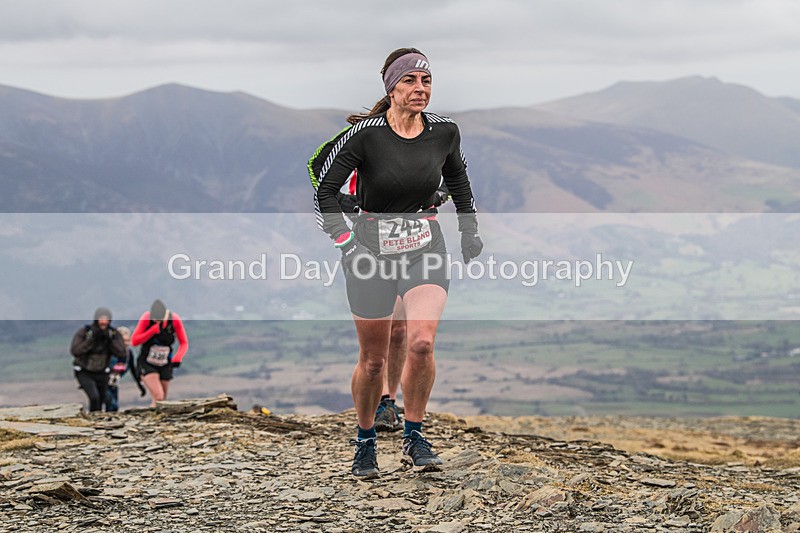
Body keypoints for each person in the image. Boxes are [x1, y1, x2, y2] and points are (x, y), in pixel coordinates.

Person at [309, 48, 483, 478]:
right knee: (372, 361)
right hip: (369, 252)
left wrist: (468, 231)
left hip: (426, 246)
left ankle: (415, 433)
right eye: (410, 81)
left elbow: (458, 178)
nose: (420, 89)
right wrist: (345, 240)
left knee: (421, 342)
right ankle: (365, 441)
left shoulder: (445, 131)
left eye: (426, 81)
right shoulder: (365, 135)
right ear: (391, 88)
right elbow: (323, 191)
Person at [336, 171, 450, 433]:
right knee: (377, 340)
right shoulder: (352, 140)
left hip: (414, 247)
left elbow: (455, 168)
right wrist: (346, 204)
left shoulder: (422, 134)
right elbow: (317, 171)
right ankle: (377, 406)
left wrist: (440, 194)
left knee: (399, 331)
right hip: (370, 244)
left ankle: (388, 401)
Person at [131, 299, 189, 407]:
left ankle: (156, 420)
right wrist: (152, 331)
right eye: (155, 319)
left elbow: (184, 343)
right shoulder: (146, 318)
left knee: (162, 400)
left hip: (165, 363)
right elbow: (134, 341)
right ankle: (152, 419)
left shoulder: (174, 320)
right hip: (147, 362)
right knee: (158, 396)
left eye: (160, 320)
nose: (157, 322)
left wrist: (178, 357)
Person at [70, 307, 126, 412]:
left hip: (102, 372)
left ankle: (96, 421)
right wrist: (91, 340)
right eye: (101, 319)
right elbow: (75, 350)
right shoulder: (86, 332)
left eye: (106, 319)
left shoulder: (113, 334)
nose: (104, 322)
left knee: (101, 399)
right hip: (84, 371)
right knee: (94, 397)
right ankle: (93, 419)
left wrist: (110, 341)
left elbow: (122, 352)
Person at [103, 326, 145, 412]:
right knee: (111, 404)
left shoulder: (128, 354)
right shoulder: (108, 352)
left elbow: (134, 370)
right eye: (123, 341)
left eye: (128, 341)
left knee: (114, 408)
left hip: (114, 384)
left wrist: (140, 385)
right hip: (102, 384)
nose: (126, 343)